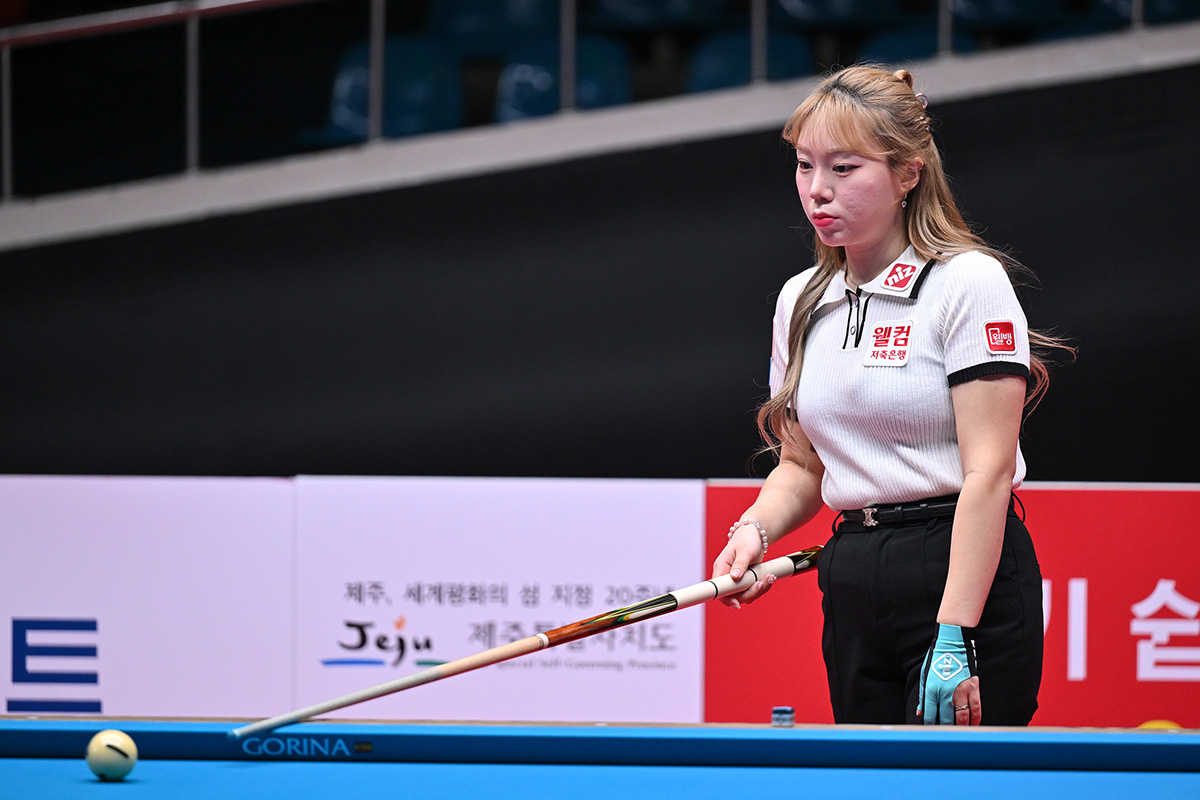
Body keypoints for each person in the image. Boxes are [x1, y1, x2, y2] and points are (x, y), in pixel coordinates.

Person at [712, 65, 1071, 726]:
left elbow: (988, 472)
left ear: (908, 173)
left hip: (960, 573)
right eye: (804, 166)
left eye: (845, 168)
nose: (818, 191)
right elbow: (801, 465)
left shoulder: (968, 282)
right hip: (851, 576)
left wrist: (955, 632)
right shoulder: (800, 300)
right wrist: (754, 531)